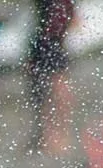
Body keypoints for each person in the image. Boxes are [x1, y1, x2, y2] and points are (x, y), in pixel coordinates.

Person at [26, 0, 77, 156]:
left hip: (48, 38)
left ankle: (52, 137)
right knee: (53, 86)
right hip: (52, 37)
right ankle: (54, 136)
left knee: (48, 88)